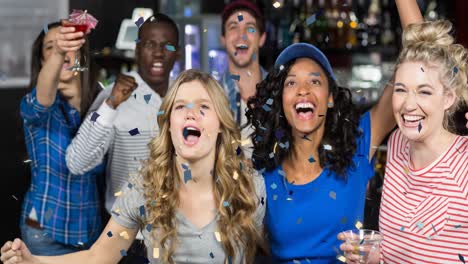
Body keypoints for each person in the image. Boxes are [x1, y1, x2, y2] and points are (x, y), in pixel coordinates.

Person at [1, 69, 266, 264]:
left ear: (220, 124)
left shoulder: (249, 187)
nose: (190, 113)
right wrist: (32, 261)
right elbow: (98, 257)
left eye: (204, 107)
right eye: (180, 106)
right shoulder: (144, 187)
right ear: (169, 124)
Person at [341, 20, 468, 264]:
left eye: (424, 91)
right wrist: (377, 257)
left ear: (448, 98)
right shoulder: (399, 143)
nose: (408, 105)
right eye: (401, 90)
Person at [66, 13, 179, 216]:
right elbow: (77, 162)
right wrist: (111, 105)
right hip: (128, 234)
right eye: (149, 45)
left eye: (167, 45)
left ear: (177, 53)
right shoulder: (112, 95)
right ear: (137, 51)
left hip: (180, 232)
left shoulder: (187, 94)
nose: (159, 53)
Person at [18, 21, 104, 255]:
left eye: (69, 44)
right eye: (51, 47)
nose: (62, 49)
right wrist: (60, 50)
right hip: (44, 232)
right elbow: (42, 99)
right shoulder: (34, 106)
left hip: (90, 231)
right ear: (43, 61)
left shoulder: (102, 106)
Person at [220, 0, 267, 158]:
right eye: (233, 27)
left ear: (262, 38)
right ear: (223, 39)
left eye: (250, 28)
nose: (242, 35)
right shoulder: (210, 98)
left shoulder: (283, 94)